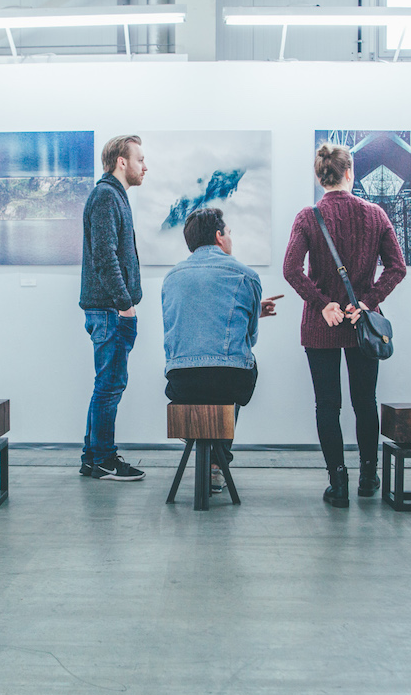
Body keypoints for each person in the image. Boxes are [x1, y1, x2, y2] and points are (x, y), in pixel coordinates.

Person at [283, 144, 407, 508]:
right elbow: (396, 267)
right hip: (361, 323)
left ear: (320, 176)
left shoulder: (308, 217)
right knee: (364, 402)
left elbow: (292, 270)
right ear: (350, 173)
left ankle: (337, 483)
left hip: (322, 324)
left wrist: (323, 305)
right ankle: (368, 476)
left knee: (327, 405)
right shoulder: (375, 214)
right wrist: (366, 303)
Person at [162, 208, 280, 487]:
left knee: (209, 373)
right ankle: (218, 461)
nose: (230, 238)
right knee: (235, 365)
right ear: (218, 236)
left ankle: (207, 450)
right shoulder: (246, 276)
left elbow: (177, 328)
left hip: (182, 382)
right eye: (229, 233)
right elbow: (249, 338)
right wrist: (252, 312)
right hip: (229, 381)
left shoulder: (172, 278)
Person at [79, 135, 147, 482]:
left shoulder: (112, 196)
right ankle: (104, 459)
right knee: (110, 385)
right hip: (110, 310)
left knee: (105, 384)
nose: (144, 167)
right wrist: (125, 306)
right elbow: (105, 257)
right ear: (122, 161)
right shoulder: (106, 196)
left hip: (109, 308)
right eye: (140, 159)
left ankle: (93, 457)